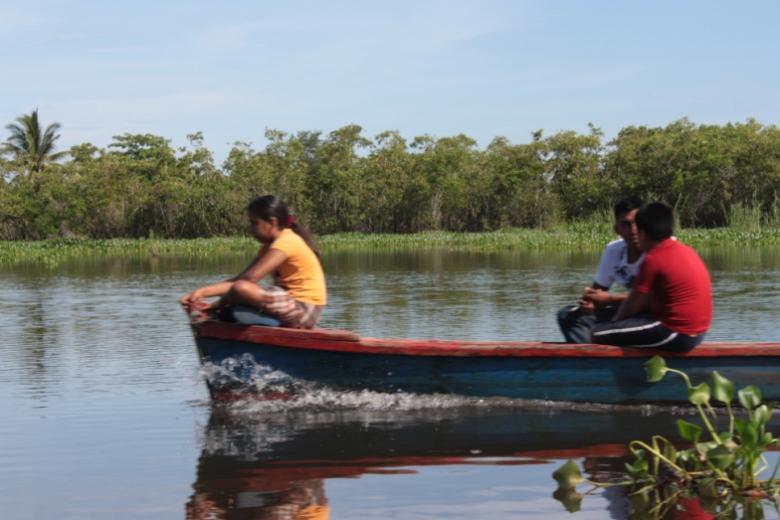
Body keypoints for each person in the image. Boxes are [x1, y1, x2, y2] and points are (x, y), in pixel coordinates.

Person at [180, 195, 327, 329]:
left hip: (304, 309)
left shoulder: (287, 241)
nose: (251, 230)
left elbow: (249, 280)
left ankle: (216, 312)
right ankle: (217, 314)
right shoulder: (268, 246)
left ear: (272, 222)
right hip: (289, 302)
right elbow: (240, 279)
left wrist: (210, 298)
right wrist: (200, 293)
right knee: (238, 293)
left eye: (254, 223)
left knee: (241, 290)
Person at [591, 202, 712, 351]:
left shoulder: (654, 258)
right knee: (615, 329)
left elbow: (631, 306)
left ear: (643, 234)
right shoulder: (685, 250)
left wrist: (613, 327)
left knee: (597, 332)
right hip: (697, 332)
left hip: (676, 333)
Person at [557, 196, 644, 343]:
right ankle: (592, 361)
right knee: (568, 315)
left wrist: (609, 299)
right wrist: (591, 302)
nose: (633, 230)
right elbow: (597, 292)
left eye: (638, 223)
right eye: (626, 224)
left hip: (655, 314)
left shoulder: (658, 249)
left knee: (603, 330)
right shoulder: (614, 251)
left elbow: (655, 299)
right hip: (629, 310)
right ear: (617, 229)